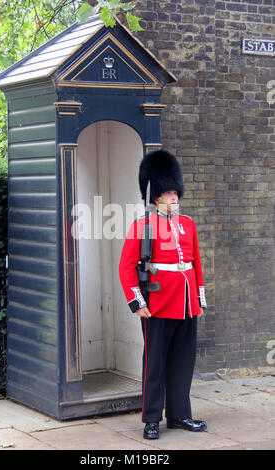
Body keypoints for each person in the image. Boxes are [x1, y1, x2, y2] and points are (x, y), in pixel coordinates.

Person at [119, 150, 207, 440]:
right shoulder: (142, 226)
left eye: (175, 192)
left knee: (183, 362)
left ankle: (180, 415)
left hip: (186, 303)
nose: (173, 197)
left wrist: (199, 299)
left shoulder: (188, 225)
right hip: (157, 304)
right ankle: (152, 419)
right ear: (156, 196)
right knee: (155, 363)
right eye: (168, 193)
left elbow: (195, 263)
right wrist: (137, 302)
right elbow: (126, 267)